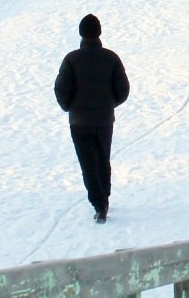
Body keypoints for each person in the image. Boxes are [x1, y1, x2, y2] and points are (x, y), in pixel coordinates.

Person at [52, 13, 130, 224]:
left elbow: (61, 89)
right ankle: (104, 199)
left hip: (79, 122)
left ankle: (98, 204)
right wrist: (108, 105)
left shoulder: (71, 59)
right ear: (99, 32)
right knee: (103, 158)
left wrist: (70, 107)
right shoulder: (111, 57)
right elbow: (123, 90)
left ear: (81, 33)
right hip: (104, 119)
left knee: (88, 162)